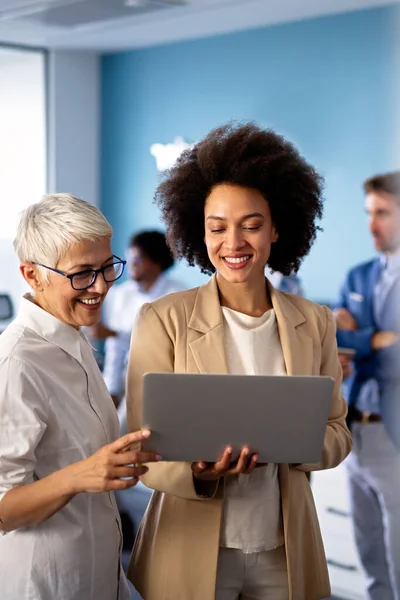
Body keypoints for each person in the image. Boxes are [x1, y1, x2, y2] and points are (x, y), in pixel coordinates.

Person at [125, 122, 352, 600]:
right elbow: (139, 448)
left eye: (251, 225)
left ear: (276, 228)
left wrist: (292, 442)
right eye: (217, 227)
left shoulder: (315, 322)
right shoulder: (163, 319)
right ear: (196, 230)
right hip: (190, 545)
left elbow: (338, 433)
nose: (234, 242)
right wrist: (200, 471)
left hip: (283, 551)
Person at [0, 193, 161, 600]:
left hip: (99, 572)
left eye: (108, 267)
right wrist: (81, 475)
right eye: (82, 273)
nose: (102, 285)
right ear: (32, 275)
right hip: (47, 583)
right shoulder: (17, 363)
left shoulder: (72, 337)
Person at [333, 171, 400, 600]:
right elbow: (333, 338)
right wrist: (377, 339)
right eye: (368, 214)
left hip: (394, 436)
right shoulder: (358, 276)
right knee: (369, 548)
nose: (371, 225)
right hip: (352, 428)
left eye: (382, 213)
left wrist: (360, 341)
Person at [92, 230, 183, 407]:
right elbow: (115, 350)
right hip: (124, 377)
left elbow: (166, 347)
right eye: (130, 256)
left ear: (156, 263)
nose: (131, 263)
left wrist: (116, 334)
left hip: (163, 381)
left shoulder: (178, 297)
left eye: (138, 258)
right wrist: (112, 389)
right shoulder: (121, 294)